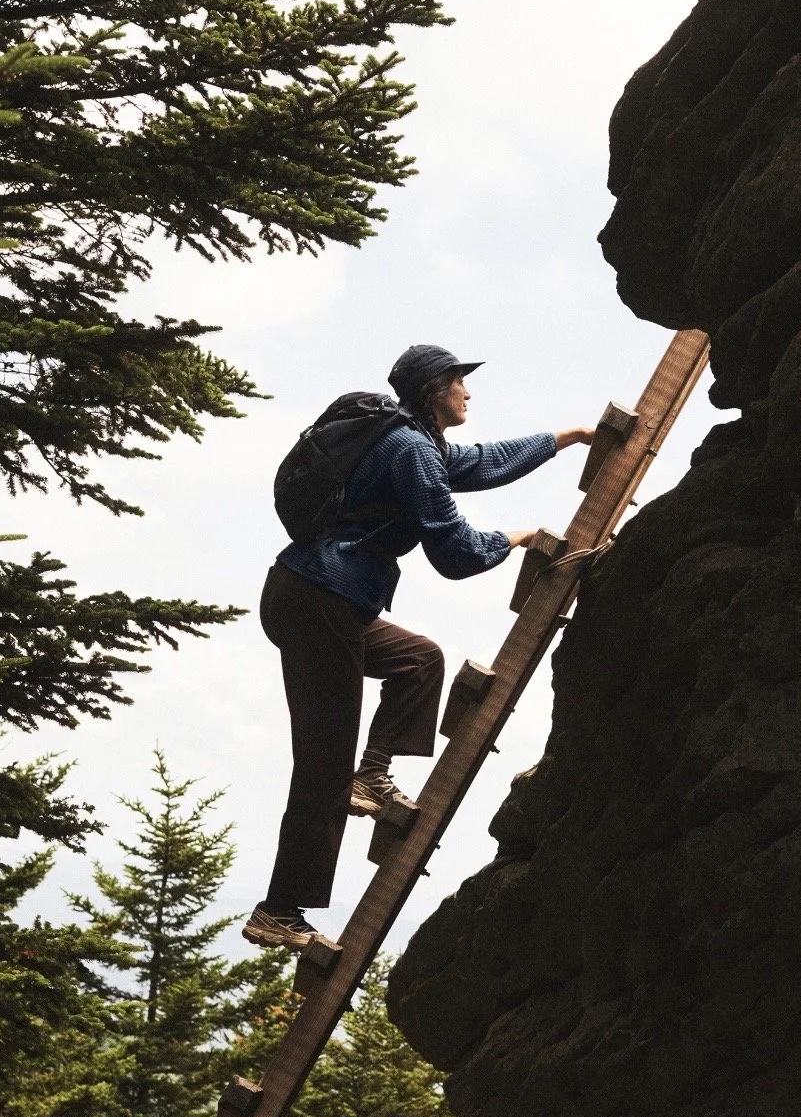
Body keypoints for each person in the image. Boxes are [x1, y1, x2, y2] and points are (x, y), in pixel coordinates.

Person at [243, 344, 595, 951]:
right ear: (436, 389)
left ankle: (372, 776)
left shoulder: (410, 442)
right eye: (460, 381)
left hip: (313, 595)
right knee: (324, 763)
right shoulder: (409, 447)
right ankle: (278, 911)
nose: (468, 392)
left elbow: (481, 462)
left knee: (418, 660)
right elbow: (453, 552)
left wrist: (565, 438)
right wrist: (516, 538)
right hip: (320, 600)